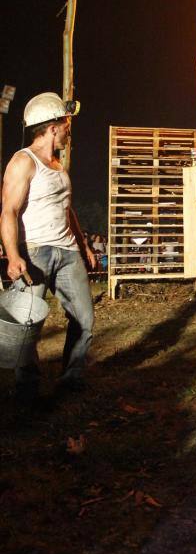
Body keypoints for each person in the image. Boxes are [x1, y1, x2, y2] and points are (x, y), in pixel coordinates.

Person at [0, 92, 96, 404]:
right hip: (35, 251)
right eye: (66, 125)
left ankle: (72, 377)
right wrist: (14, 255)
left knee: (84, 319)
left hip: (67, 252)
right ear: (52, 127)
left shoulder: (57, 166)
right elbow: (8, 211)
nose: (69, 131)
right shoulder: (23, 161)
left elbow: (68, 211)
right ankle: (27, 388)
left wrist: (84, 247)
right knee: (26, 325)